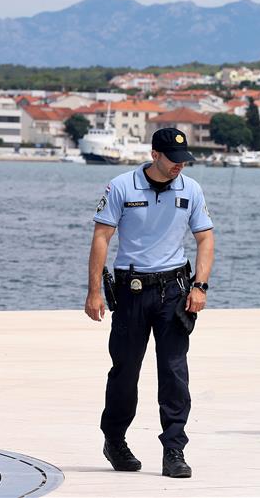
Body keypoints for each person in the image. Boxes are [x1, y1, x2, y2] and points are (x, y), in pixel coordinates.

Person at [84, 127, 214, 478]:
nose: (179, 167)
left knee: (174, 372)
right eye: (173, 160)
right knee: (125, 371)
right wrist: (94, 290)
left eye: (184, 161)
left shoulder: (192, 189)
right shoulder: (121, 186)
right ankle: (115, 440)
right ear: (155, 154)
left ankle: (174, 449)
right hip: (132, 291)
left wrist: (199, 286)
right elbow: (101, 237)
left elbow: (205, 238)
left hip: (173, 291)